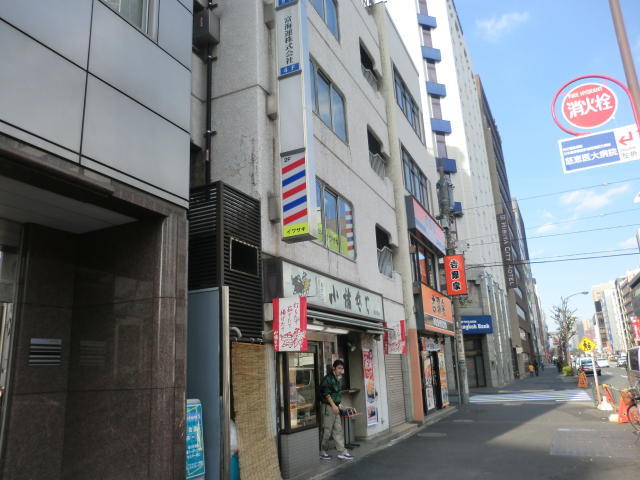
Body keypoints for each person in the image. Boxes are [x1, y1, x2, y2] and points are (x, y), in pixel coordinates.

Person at [318, 359, 354, 461]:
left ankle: (342, 452)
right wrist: (334, 405)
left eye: (342, 368)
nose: (341, 371)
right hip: (328, 407)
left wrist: (339, 404)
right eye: (339, 368)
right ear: (333, 368)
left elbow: (336, 394)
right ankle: (322, 451)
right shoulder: (328, 379)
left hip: (335, 406)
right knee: (327, 430)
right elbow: (326, 394)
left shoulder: (337, 378)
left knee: (338, 430)